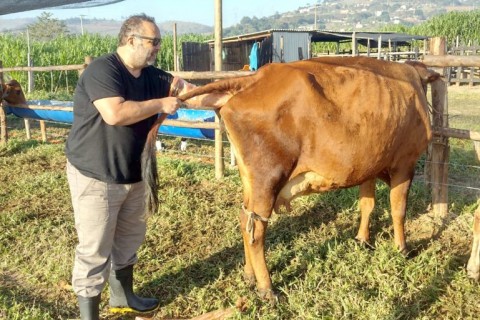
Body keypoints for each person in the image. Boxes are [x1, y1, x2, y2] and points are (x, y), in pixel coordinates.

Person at [65, 13, 196, 319]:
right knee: (95, 249)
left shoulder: (153, 76)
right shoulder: (103, 69)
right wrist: (161, 104)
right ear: (131, 39)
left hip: (133, 174)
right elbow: (115, 113)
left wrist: (231, 94)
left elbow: (189, 91)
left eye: (158, 43)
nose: (157, 48)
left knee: (128, 239)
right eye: (153, 42)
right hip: (96, 175)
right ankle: (89, 315)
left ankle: (122, 296)